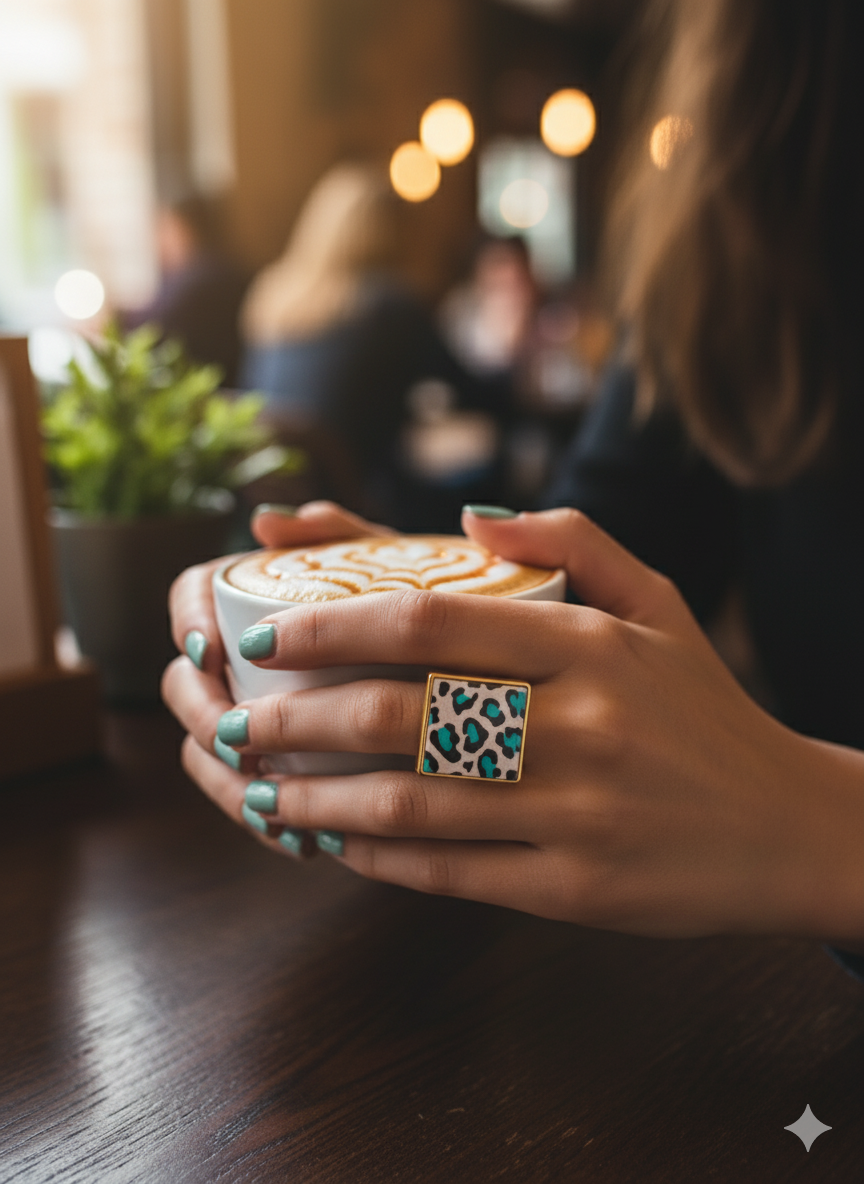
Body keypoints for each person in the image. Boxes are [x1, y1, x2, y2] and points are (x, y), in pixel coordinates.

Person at [161, 0, 863, 971]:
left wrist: (822, 825)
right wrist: (423, 610)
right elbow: (608, 562)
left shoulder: (281, 293)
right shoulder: (755, 164)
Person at [240, 163, 501, 530]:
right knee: (487, 485)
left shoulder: (272, 297)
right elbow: (474, 394)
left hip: (271, 510)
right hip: (360, 506)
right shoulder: (390, 305)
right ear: (394, 233)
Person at [121, 195, 248, 386]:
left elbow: (156, 326)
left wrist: (114, 321)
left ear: (186, 228)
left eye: (167, 229)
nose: (160, 241)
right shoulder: (195, 275)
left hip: (211, 387)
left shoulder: (204, 277)